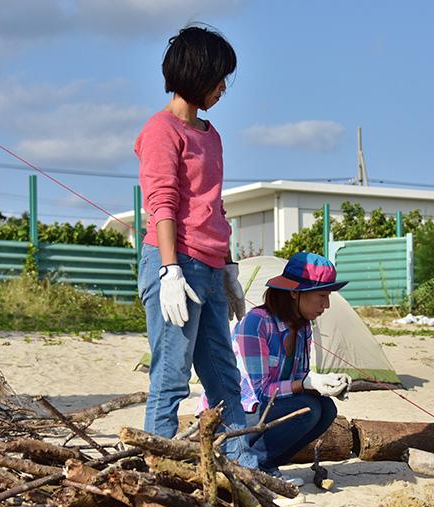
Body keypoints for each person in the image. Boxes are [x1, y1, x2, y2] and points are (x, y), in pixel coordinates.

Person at [135, 25, 254, 467]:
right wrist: (169, 271)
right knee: (170, 375)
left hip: (208, 266)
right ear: (197, 73)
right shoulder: (161, 131)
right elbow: (162, 202)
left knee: (223, 374)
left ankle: (246, 464)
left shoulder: (211, 134)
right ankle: (156, 467)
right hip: (175, 265)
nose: (224, 88)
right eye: (219, 78)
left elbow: (213, 206)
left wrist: (227, 268)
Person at [203, 252, 352, 483]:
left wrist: (326, 385)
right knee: (308, 409)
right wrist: (306, 384)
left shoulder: (303, 328)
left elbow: (299, 378)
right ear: (294, 292)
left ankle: (267, 464)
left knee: (326, 408)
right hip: (235, 414)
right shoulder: (257, 323)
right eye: (322, 295)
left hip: (267, 410)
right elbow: (261, 392)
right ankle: (250, 465)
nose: (327, 304)